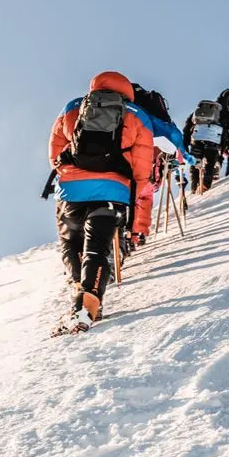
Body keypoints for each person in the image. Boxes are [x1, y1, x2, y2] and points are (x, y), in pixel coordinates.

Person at [48, 71, 154, 334]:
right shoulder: (137, 115)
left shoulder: (74, 106)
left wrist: (69, 175)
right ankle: (86, 304)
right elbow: (142, 168)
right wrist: (134, 200)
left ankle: (78, 291)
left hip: (71, 191)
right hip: (112, 192)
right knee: (97, 248)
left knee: (71, 245)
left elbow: (55, 150)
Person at [130, 84, 193, 245]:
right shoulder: (158, 119)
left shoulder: (122, 112)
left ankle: (124, 236)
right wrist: (181, 163)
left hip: (122, 167)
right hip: (150, 169)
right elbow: (176, 141)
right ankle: (138, 233)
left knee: (124, 198)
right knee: (144, 197)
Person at [182, 99, 229, 193]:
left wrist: (185, 145)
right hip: (213, 140)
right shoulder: (223, 113)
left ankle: (194, 186)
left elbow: (187, 129)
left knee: (195, 162)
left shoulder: (196, 113)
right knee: (210, 163)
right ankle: (205, 185)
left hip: (196, 138)